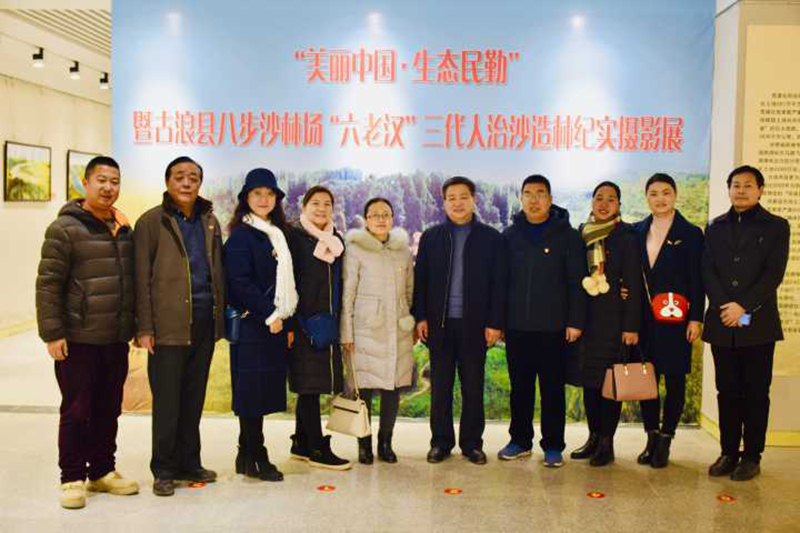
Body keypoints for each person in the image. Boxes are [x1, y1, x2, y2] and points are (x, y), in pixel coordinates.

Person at [36, 156, 139, 509]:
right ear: (86, 182)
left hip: (115, 337)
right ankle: (71, 478)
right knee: (77, 410)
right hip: (78, 338)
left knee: (109, 408)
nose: (109, 188)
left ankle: (102, 471)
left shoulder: (123, 228)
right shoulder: (64, 228)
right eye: (102, 180)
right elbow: (48, 284)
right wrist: (52, 333)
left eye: (115, 181)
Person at [134, 156, 225, 496]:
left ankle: (189, 462)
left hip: (203, 323)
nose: (187, 183)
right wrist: (145, 327)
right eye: (180, 176)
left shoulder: (210, 220)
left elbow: (218, 271)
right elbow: (141, 277)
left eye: (193, 177)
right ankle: (163, 469)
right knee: (168, 402)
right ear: (168, 181)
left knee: (193, 398)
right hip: (167, 327)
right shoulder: (151, 222)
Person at [703, 165, 790, 481]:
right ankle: (728, 452)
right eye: (735, 185)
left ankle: (752, 455)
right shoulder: (714, 227)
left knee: (755, 392)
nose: (741, 190)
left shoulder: (777, 226)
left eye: (748, 185)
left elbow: (773, 274)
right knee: (726, 391)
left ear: (760, 190)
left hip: (759, 325)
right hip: (722, 322)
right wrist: (726, 307)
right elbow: (707, 271)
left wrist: (743, 306)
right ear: (728, 189)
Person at [412, 176, 507, 465]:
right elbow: (421, 280)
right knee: (440, 388)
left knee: (473, 388)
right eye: (451, 198)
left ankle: (472, 444)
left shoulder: (491, 238)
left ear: (473, 200)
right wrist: (420, 317)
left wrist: (495, 323)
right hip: (439, 325)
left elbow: (499, 284)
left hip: (475, 326)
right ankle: (440, 442)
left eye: (463, 197)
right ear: (444, 203)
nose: (458, 203)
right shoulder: (432, 237)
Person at [498, 175, 587, 468]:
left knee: (552, 390)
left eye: (540, 193)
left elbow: (577, 283)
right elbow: (501, 283)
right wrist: (500, 322)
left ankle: (553, 445)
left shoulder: (568, 236)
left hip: (554, 328)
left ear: (550, 199)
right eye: (528, 193)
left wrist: (575, 322)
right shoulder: (509, 236)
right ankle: (520, 441)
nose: (534, 199)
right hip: (517, 328)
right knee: (520, 389)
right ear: (521, 198)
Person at [224, 168, 297, 481]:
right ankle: (257, 456)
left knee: (260, 394)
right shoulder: (242, 235)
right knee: (251, 396)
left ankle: (245, 453)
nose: (264, 199)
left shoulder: (276, 232)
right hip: (254, 325)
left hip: (273, 326)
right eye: (257, 193)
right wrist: (270, 314)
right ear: (246, 198)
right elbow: (239, 283)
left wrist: (283, 319)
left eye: (270, 194)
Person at [634, 173, 704, 468]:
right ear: (646, 197)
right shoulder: (637, 230)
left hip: (676, 318)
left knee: (675, 380)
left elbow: (698, 279)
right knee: (647, 380)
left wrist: (696, 319)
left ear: (675, 195)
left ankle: (666, 439)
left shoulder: (691, 233)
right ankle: (651, 437)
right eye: (653, 193)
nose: (660, 198)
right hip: (644, 320)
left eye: (666, 192)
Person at [571, 181, 642, 467]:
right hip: (587, 322)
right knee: (590, 384)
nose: (604, 204)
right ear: (592, 202)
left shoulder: (627, 236)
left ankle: (606, 443)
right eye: (599, 198)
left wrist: (631, 326)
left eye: (610, 199)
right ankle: (592, 437)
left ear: (619, 205)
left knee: (610, 385)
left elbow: (634, 284)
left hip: (614, 322)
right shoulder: (582, 233)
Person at [340, 198, 415, 464]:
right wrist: (346, 333)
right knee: (365, 390)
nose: (381, 219)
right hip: (365, 331)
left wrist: (409, 320)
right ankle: (364, 444)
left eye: (386, 214)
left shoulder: (403, 251)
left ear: (392, 218)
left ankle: (386, 443)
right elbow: (347, 294)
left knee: (392, 389)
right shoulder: (355, 250)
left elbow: (410, 291)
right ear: (366, 219)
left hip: (398, 329)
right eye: (375, 215)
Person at [286, 185, 350, 470]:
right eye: (315, 203)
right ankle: (317, 448)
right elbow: (286, 281)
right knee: (309, 386)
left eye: (327, 204)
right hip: (302, 323)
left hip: (326, 324)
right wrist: (292, 322)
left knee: (310, 385)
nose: (321, 208)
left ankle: (301, 442)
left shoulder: (336, 240)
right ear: (304, 207)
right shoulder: (293, 237)